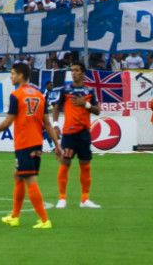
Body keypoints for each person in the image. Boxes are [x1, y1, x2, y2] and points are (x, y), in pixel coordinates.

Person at [0, 61, 58, 230]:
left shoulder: (17, 95)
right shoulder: (39, 95)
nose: (11, 76)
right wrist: (58, 145)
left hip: (24, 144)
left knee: (29, 179)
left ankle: (44, 220)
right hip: (36, 143)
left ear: (21, 75)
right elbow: (48, 124)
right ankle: (14, 216)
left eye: (13, 73)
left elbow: (7, 123)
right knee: (18, 175)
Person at [50, 63, 100, 209]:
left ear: (83, 73)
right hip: (69, 134)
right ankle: (62, 198)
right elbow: (56, 107)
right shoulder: (65, 90)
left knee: (85, 166)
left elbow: (97, 111)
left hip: (84, 134)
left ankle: (84, 199)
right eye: (72, 70)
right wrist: (55, 124)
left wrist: (86, 104)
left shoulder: (90, 90)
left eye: (77, 70)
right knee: (65, 164)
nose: (73, 73)